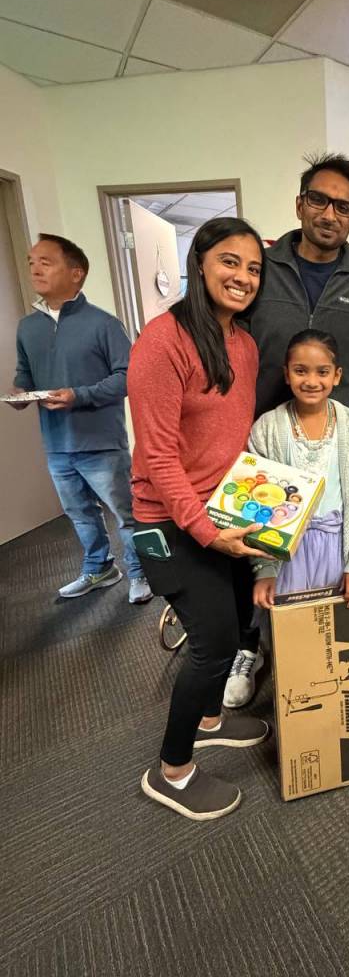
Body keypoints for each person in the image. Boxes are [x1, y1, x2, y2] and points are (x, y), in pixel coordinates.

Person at [128, 217, 272, 821]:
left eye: (253, 268)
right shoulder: (161, 342)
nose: (242, 276)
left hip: (222, 514)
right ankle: (172, 770)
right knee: (211, 646)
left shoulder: (243, 343)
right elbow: (159, 457)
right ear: (201, 263)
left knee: (237, 625)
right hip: (171, 522)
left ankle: (211, 719)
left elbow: (230, 439)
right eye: (230, 262)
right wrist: (208, 531)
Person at [225, 329, 349, 708]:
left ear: (337, 375)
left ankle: (336, 707)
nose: (311, 381)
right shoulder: (267, 429)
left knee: (337, 633)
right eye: (301, 371)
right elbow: (256, 505)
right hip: (288, 555)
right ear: (286, 374)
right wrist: (264, 569)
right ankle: (299, 708)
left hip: (338, 549)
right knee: (292, 632)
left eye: (322, 371)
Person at [8, 233, 151, 604]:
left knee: (125, 514)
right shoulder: (28, 327)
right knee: (80, 514)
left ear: (76, 273)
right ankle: (99, 568)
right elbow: (25, 374)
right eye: (31, 262)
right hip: (57, 443)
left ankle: (140, 573)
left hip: (101, 442)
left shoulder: (104, 324)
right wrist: (20, 394)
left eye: (46, 262)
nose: (35, 269)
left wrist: (79, 395)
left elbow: (128, 377)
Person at [248, 152, 349, 436]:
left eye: (343, 207)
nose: (329, 215)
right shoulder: (260, 271)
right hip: (266, 440)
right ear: (299, 205)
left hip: (340, 444)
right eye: (318, 200)